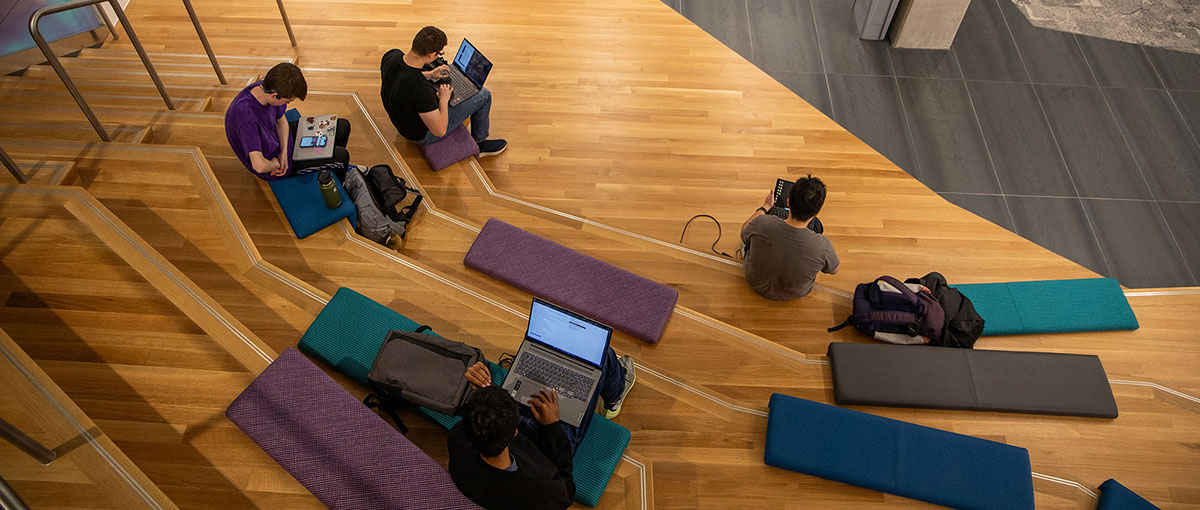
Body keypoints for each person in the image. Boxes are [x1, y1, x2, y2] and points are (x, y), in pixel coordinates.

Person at [447, 350, 635, 510]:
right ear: (514, 432)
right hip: (548, 448)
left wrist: (486, 398)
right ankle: (614, 398)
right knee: (604, 356)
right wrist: (552, 425)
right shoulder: (540, 491)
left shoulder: (458, 439)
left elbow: (469, 424)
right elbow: (568, 489)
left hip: (518, 444)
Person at [380, 26, 506, 156]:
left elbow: (403, 76)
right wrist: (443, 99)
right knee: (484, 95)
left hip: (400, 117)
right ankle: (480, 144)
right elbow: (439, 130)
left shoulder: (392, 55)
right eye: (438, 54)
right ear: (430, 55)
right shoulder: (421, 90)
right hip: (419, 134)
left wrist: (430, 74)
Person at [224, 62, 356, 181]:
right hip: (272, 164)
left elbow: (280, 120)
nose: (288, 104)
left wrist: (284, 151)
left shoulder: (265, 87)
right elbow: (259, 165)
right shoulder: (247, 118)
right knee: (342, 157)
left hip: (278, 143)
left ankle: (328, 164)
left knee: (343, 126)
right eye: (288, 101)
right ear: (275, 95)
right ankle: (338, 176)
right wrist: (277, 162)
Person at [740, 174, 839, 300]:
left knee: (750, 238)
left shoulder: (762, 222)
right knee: (818, 227)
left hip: (754, 282)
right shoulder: (823, 246)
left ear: (788, 202)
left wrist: (765, 207)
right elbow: (834, 270)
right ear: (816, 213)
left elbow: (744, 232)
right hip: (793, 294)